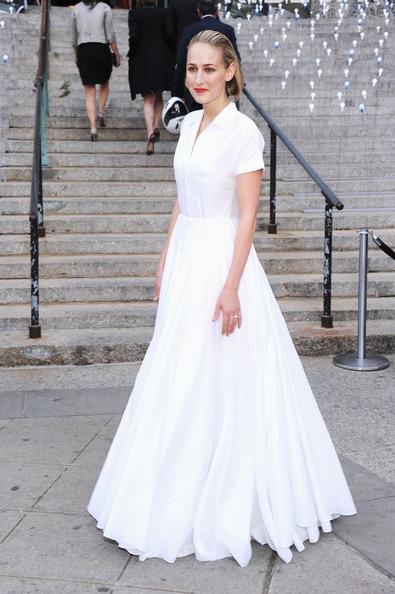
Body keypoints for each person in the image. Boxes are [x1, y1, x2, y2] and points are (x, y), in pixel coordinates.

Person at [88, 30, 356, 567]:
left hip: (221, 260)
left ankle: (224, 490)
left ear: (231, 70)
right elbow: (180, 199)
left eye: (210, 69)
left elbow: (248, 216)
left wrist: (232, 285)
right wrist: (165, 257)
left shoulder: (243, 133)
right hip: (187, 252)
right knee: (175, 367)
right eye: (192, 69)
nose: (199, 78)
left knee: (215, 370)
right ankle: (167, 485)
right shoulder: (187, 123)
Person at [172, 0, 240, 111]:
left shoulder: (188, 31)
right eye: (192, 69)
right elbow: (236, 58)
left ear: (199, 12)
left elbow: (181, 62)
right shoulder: (227, 30)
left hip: (193, 95)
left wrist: (177, 92)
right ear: (216, 12)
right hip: (219, 88)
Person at [128, 0, 176, 155]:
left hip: (144, 58)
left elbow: (133, 37)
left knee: (147, 99)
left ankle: (150, 132)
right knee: (159, 95)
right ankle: (156, 125)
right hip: (162, 57)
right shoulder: (164, 12)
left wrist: (132, 53)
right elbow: (170, 34)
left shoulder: (135, 13)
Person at [72, 0, 120, 141]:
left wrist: (76, 57)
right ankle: (100, 112)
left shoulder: (76, 9)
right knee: (104, 81)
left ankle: (93, 128)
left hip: (84, 51)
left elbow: (73, 38)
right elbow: (110, 34)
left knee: (89, 92)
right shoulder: (105, 7)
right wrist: (116, 53)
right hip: (101, 49)